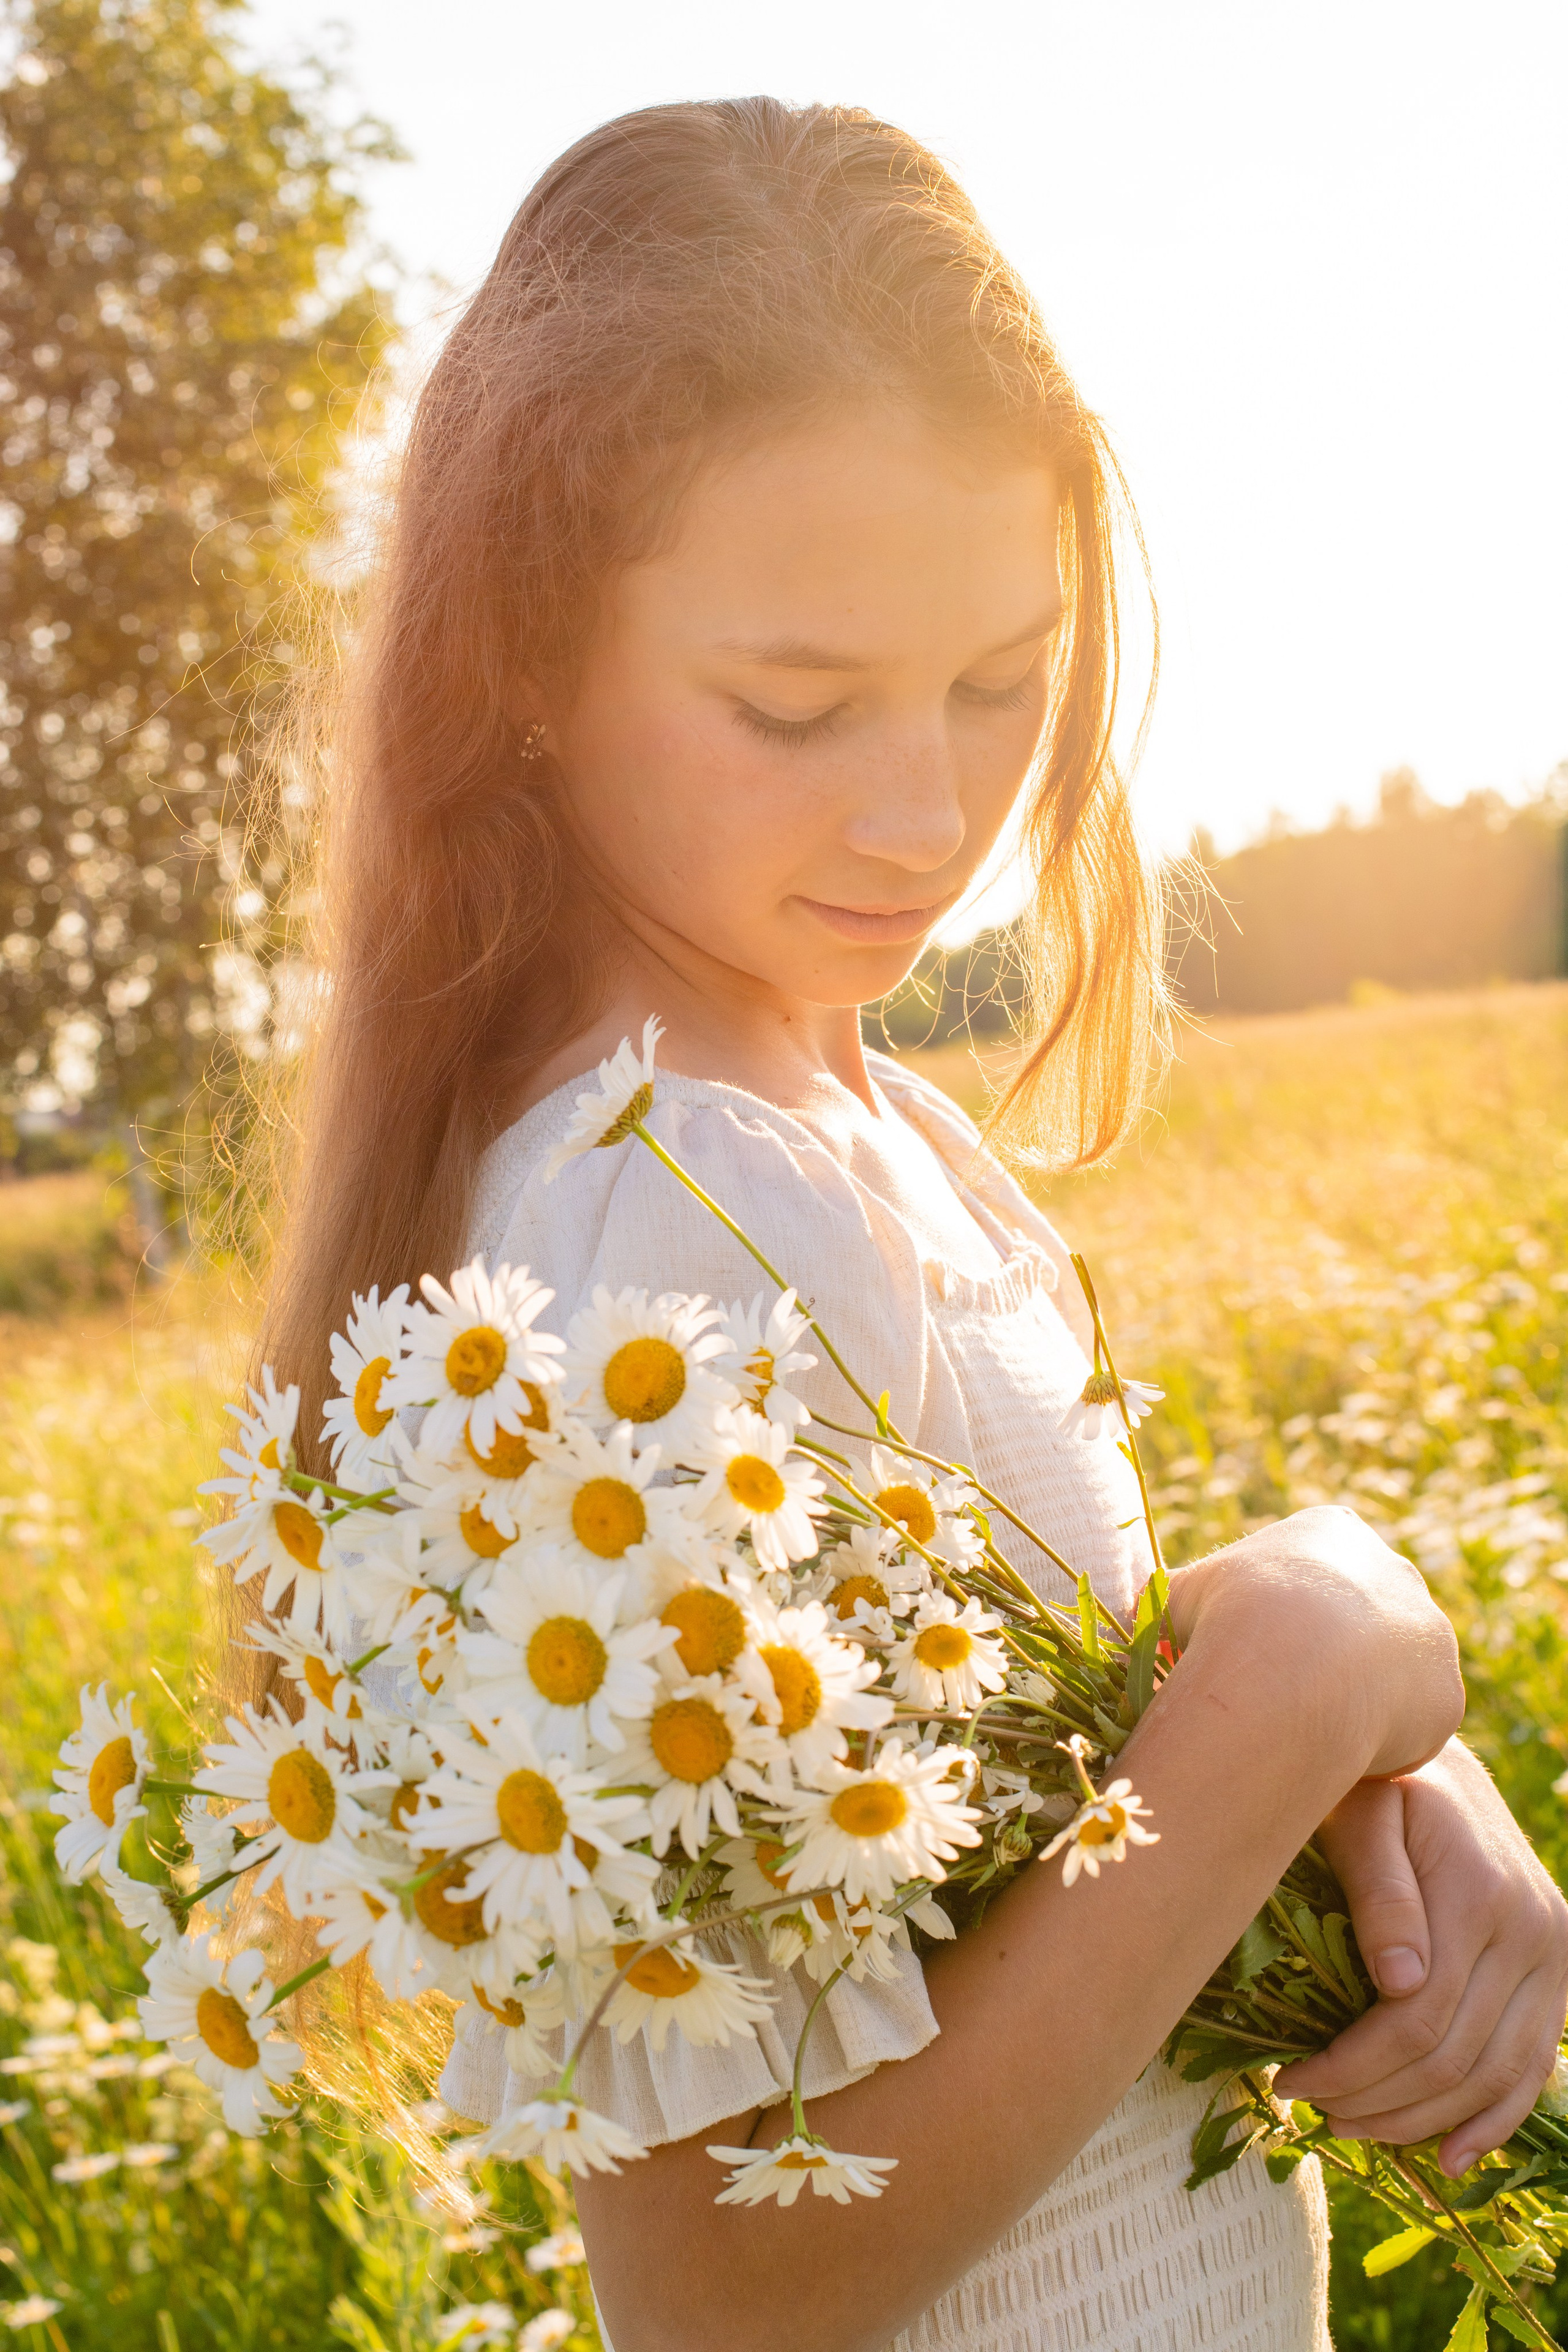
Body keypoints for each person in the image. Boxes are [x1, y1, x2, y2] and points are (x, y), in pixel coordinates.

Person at [261, 98, 1568, 2352]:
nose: (929, 816)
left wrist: (1386, 1769)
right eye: (794, 705)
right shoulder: (657, 1234)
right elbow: (727, 2284)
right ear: (524, 669)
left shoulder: (859, 1123)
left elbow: (1047, 1815)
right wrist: (1316, 1646)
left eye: (1000, 682)